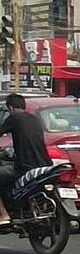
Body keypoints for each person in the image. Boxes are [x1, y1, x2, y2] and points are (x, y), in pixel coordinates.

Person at [0, 94, 52, 224]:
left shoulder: (13, 118)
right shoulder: (34, 119)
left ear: (10, 108)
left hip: (26, 166)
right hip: (44, 164)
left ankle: (4, 215)